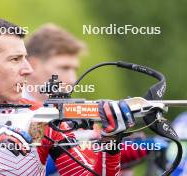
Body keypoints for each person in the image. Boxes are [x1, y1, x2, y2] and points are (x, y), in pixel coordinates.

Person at [0, 18, 145, 176]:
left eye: (26, 58)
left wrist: (110, 142)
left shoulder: (43, 117)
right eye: (15, 59)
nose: (28, 69)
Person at [25, 24, 148, 176]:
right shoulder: (7, 107)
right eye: (64, 68)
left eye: (74, 69)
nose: (72, 79)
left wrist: (115, 154)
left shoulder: (75, 114)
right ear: (33, 65)